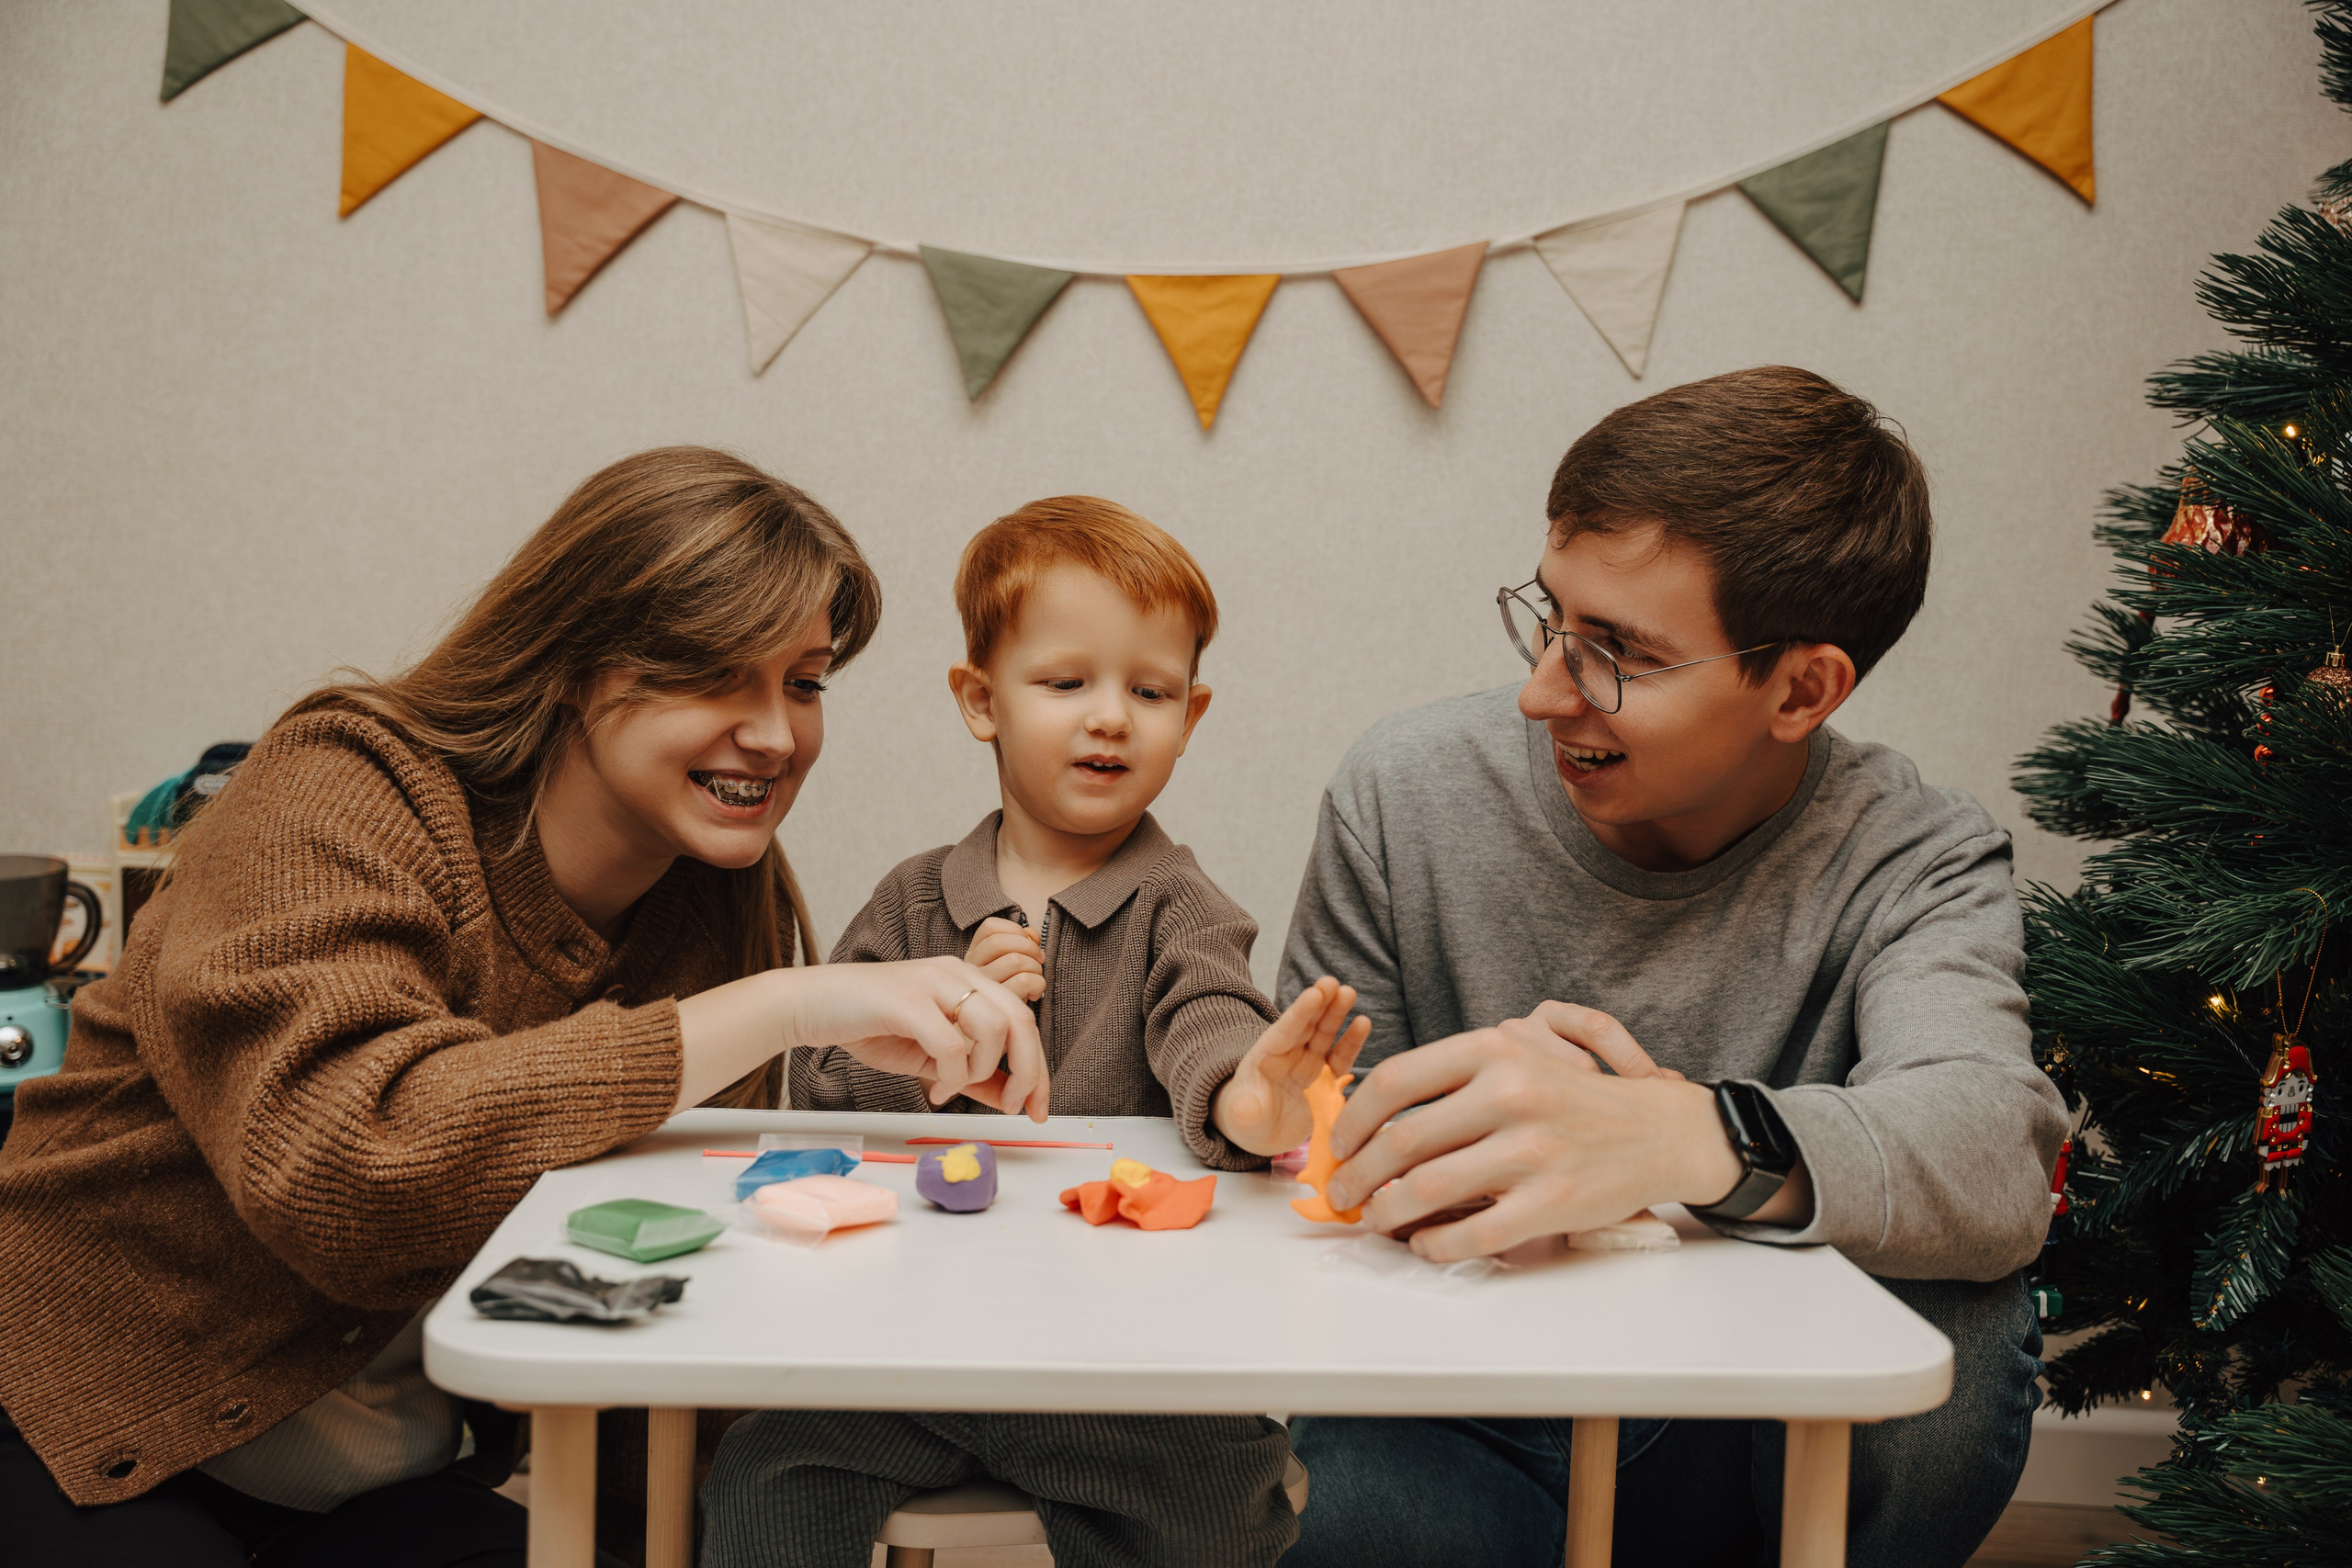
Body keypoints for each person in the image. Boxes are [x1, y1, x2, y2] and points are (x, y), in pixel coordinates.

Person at [0, 447, 1049, 1568]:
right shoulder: (338, 785)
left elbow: (661, 1275)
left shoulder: (709, 899)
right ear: (570, 663)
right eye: (715, 676)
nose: (778, 735)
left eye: (804, 681)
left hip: (376, 1483)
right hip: (72, 1415)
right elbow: (353, 1167)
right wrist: (784, 1005)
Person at [1275, 367, 2069, 1568]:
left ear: (1802, 686)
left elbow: (1993, 1150)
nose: (1544, 689)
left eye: (1616, 652)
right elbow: (1313, 1155)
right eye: (1550, 617)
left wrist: (1686, 1137)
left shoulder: (1919, 854)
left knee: (1964, 1320)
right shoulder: (1404, 793)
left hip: (1749, 1420)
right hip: (1457, 1391)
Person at [705, 496, 1368, 1568]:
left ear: (1190, 716)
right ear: (981, 701)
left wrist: (1249, 1099)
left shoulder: (1177, 903)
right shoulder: (917, 901)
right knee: (763, 1476)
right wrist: (930, 1051)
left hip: (1121, 1356)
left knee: (1221, 1508)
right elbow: (817, 1087)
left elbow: (1209, 1017)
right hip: (903, 1344)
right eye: (1066, 683)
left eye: (1149, 691)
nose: (1111, 717)